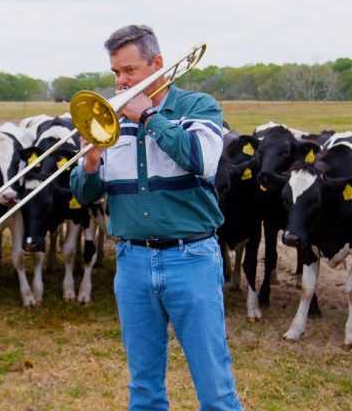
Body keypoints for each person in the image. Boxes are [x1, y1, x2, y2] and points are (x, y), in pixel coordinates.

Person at [70, 25, 242, 411]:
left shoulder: (198, 107)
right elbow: (83, 193)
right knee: (143, 386)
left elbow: (201, 159)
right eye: (116, 72)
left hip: (191, 258)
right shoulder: (110, 120)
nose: (120, 81)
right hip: (132, 262)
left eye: (129, 70)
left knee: (214, 386)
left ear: (158, 64)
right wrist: (92, 159)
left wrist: (147, 115)